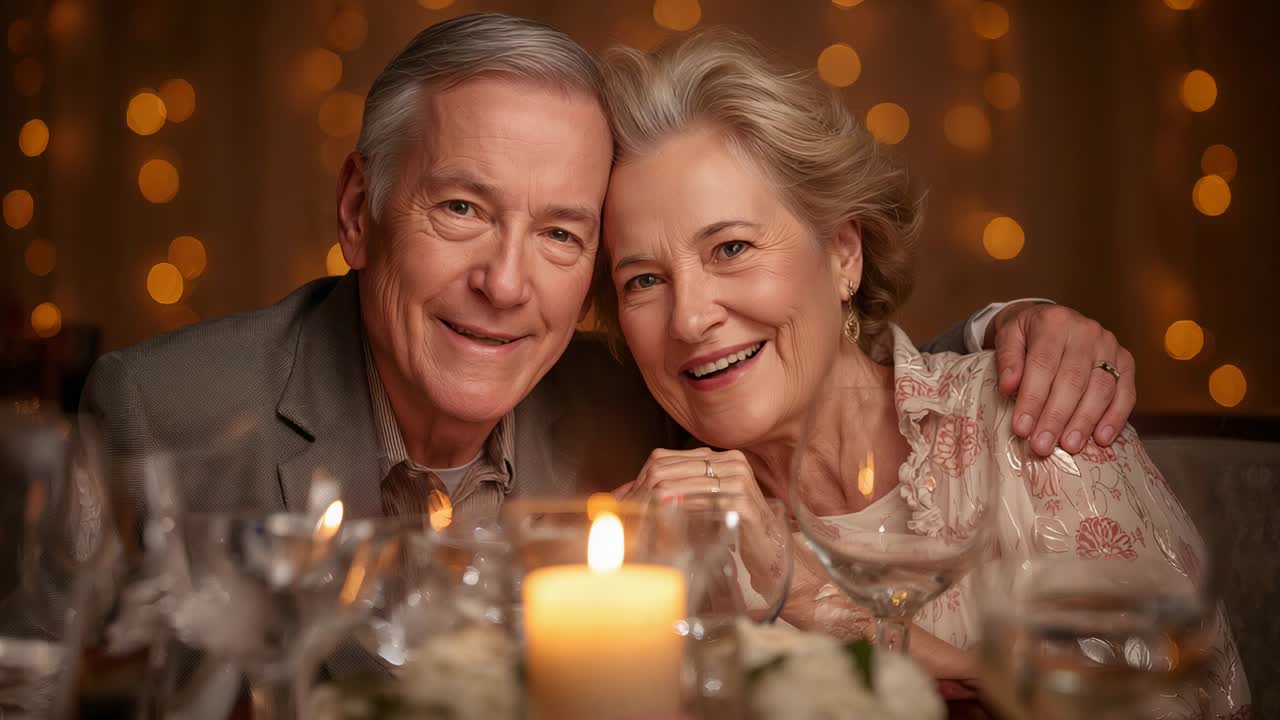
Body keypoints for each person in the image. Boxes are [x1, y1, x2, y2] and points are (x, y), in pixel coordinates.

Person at [83, 14, 1135, 535]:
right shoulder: (159, 419)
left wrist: (1014, 326)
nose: (504, 283)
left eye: (558, 234)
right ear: (360, 214)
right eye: (460, 207)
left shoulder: (631, 411)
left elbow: (854, 400)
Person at [597, 30, 1249, 714]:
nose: (689, 319)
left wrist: (816, 601)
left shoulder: (1037, 420)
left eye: (731, 247)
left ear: (844, 254)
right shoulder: (663, 539)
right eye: (643, 280)